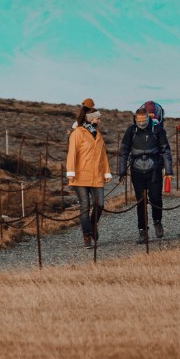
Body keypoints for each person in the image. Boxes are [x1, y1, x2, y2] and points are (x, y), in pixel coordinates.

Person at [118, 102, 174, 243]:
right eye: (139, 121)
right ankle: (142, 231)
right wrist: (122, 170)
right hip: (137, 171)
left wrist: (169, 171)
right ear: (136, 119)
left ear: (148, 118)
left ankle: (157, 221)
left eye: (144, 121)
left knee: (156, 198)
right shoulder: (131, 131)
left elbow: (165, 150)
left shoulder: (158, 130)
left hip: (154, 169)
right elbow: (124, 151)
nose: (141, 123)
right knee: (140, 202)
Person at [64, 99, 111, 249]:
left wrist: (107, 172)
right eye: (97, 118)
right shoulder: (77, 133)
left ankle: (92, 226)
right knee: (85, 206)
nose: (99, 120)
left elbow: (103, 155)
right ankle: (87, 236)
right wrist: (70, 172)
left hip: (96, 175)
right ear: (90, 119)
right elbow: (72, 154)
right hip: (80, 176)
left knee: (100, 204)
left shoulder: (98, 134)